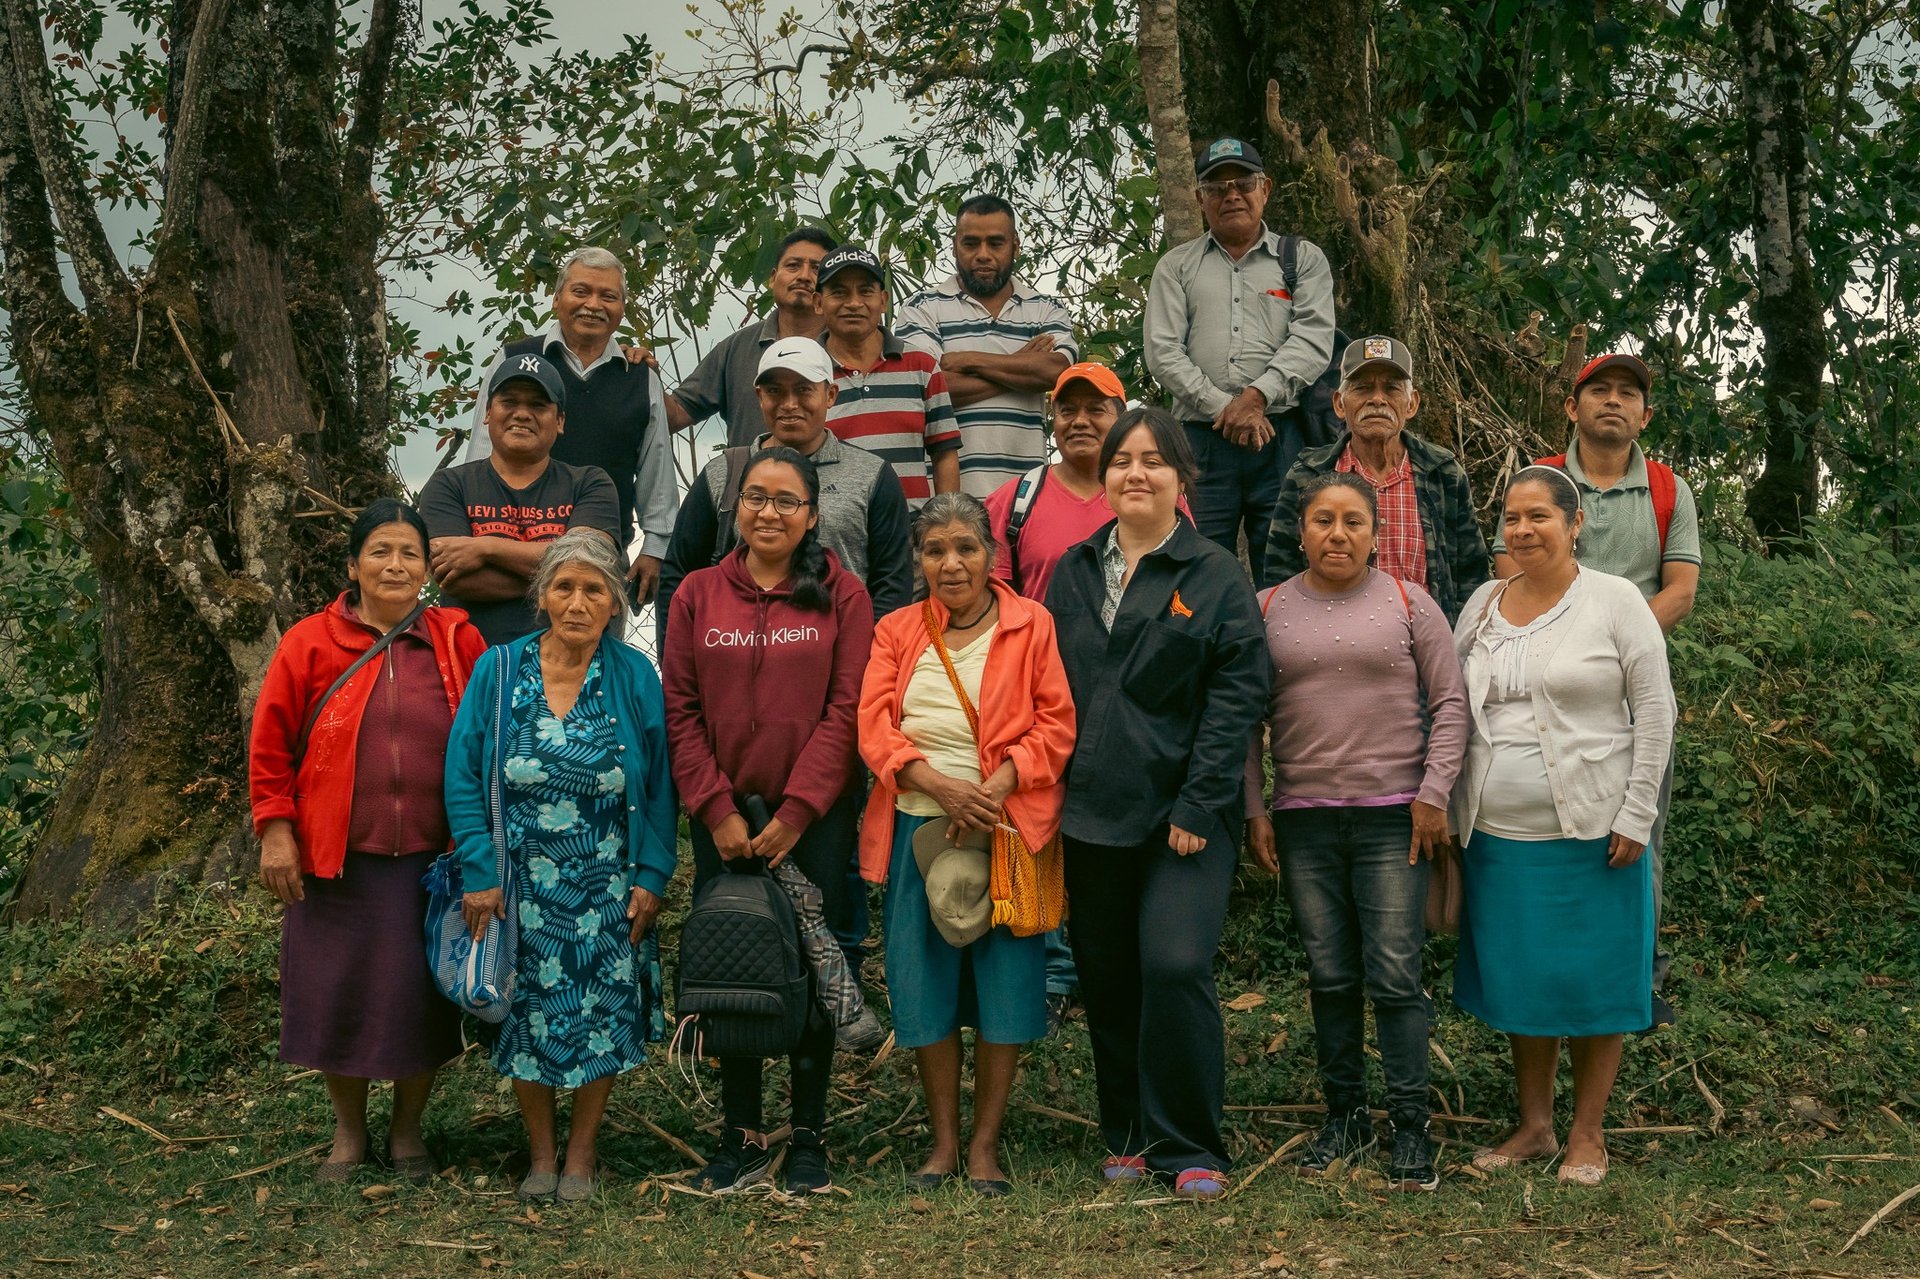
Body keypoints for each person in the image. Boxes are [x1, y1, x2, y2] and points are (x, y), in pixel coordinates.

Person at [1043, 407, 1271, 1200]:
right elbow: (1049, 688)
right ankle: (1130, 1131)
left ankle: (1189, 1142)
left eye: (1153, 460)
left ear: (1183, 477)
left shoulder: (1213, 574)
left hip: (1183, 819)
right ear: (1102, 478)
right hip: (1089, 812)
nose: (1135, 473)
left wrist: (1198, 805)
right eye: (1121, 460)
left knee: (1173, 964)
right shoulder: (1071, 570)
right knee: (1108, 976)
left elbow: (1238, 696)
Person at [1242, 473, 1469, 1193]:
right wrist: (1255, 808)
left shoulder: (1409, 602)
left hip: (1394, 819)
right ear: (1301, 531)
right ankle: (1344, 1118)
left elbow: (1452, 704)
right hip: (1304, 820)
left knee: (1396, 975)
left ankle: (1410, 1127)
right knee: (1331, 974)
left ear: (1375, 534)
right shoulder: (1267, 608)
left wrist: (1433, 797)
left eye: (1352, 522)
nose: (1336, 533)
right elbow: (1245, 720)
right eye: (1322, 520)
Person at [249, 500, 485, 1184]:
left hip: (433, 862)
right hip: (337, 862)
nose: (395, 564)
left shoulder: (455, 637)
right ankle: (349, 1132)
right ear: (352, 565)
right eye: (380, 550)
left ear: (426, 567)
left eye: (409, 552)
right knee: (339, 997)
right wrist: (276, 829)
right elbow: (270, 745)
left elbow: (484, 741)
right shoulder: (309, 642)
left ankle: (408, 1131)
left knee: (421, 1001)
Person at [1451, 466, 1674, 1187]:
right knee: (1525, 979)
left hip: (1594, 830)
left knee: (1596, 979)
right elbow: (1455, 708)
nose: (1522, 529)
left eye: (1539, 515)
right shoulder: (1483, 603)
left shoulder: (1615, 601)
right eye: (1512, 517)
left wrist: (1638, 810)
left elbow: (1656, 710)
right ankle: (1536, 1125)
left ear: (1575, 523)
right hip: (1496, 833)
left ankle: (1588, 1133)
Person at [662, 447, 874, 1195]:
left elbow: (848, 710)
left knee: (814, 964)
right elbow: (680, 710)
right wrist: (714, 807)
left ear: (812, 514)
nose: (770, 512)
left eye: (788, 500)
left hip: (811, 819)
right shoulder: (695, 595)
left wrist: (798, 809)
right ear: (737, 507)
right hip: (724, 823)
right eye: (756, 497)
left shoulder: (842, 595)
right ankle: (742, 1135)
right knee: (735, 967)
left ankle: (809, 1135)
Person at [446, 530, 677, 1203]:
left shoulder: (632, 674)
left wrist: (652, 877)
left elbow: (661, 787)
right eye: (564, 586)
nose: (577, 602)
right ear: (542, 595)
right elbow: (463, 775)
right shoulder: (498, 669)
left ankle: (582, 1154)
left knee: (603, 1015)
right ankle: (540, 1154)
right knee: (527, 1017)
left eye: (594, 589)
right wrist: (480, 872)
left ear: (613, 604)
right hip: (519, 888)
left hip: (608, 884)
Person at [858, 492, 1077, 1196]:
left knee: (1007, 991)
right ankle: (943, 1144)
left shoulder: (1030, 623)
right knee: (923, 991)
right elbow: (874, 728)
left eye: (965, 547)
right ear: (918, 559)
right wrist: (942, 787)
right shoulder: (897, 629)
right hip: (918, 830)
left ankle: (985, 1145)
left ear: (992, 553)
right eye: (934, 549)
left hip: (1008, 829)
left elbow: (1056, 724)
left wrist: (997, 784)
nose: (951, 563)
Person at [1493, 352, 1700, 1022]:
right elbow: (1507, 569)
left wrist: (1613, 643)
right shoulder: (1541, 483)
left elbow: (1682, 590)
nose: (1613, 402)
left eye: (1627, 394)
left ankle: (1638, 974)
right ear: (1571, 407)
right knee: (1547, 829)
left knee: (1641, 826)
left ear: (1646, 413)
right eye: (1599, 390)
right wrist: (1570, 642)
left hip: (1634, 686)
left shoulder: (1669, 489)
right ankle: (1550, 967)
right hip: (1546, 683)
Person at [1143, 136, 1336, 584]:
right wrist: (1227, 409)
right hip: (1200, 444)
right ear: (1200, 199)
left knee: (1286, 566)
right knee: (1198, 569)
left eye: (1243, 183)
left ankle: (1283, 656)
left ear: (1264, 189)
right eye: (1216, 187)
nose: (1231, 194)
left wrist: (1256, 397)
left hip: (1282, 437)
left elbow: (1312, 340)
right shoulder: (1176, 267)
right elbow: (1163, 352)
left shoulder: (1300, 260)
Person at [656, 337, 914, 646]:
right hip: (732, 654)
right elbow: (679, 573)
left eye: (804, 389)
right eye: (775, 391)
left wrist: (865, 661)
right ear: (759, 397)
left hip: (843, 664)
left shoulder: (872, 476)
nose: (789, 404)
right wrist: (678, 663)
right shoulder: (724, 474)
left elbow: (893, 582)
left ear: (830, 394)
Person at [463, 247, 677, 602]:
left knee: (592, 658)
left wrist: (654, 547)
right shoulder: (514, 360)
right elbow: (481, 455)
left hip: (599, 565)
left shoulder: (640, 377)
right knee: (495, 659)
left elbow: (656, 470)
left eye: (608, 296)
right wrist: (479, 543)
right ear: (556, 298)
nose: (593, 304)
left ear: (622, 309)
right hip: (504, 552)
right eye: (581, 291)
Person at [1263, 336, 1489, 622]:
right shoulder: (1309, 474)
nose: (1377, 399)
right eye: (1362, 388)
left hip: (1425, 646)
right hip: (1329, 641)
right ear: (1339, 404)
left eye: (1392, 388)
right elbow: (1279, 574)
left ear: (1411, 404)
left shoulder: (1441, 472)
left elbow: (1471, 575)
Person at [421, 352, 621, 646]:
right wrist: (560, 578)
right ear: (488, 412)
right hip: (472, 664)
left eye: (538, 405)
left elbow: (588, 564)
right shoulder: (448, 485)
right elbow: (456, 580)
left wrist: (486, 548)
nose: (522, 413)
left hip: (571, 663)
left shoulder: (590, 483)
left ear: (560, 420)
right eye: (509, 402)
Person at [896, 195, 1077, 499]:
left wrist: (967, 359)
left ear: (1015, 245)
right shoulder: (922, 308)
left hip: (1028, 498)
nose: (983, 255)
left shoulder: (1046, 309)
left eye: (995, 243)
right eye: (971, 244)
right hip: (946, 500)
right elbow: (930, 390)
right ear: (954, 246)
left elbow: (1055, 371)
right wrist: (1021, 366)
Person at [663, 227, 840, 447]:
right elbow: (674, 415)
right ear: (773, 278)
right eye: (793, 265)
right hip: (750, 480)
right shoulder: (737, 349)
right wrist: (642, 374)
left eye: (816, 268)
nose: (803, 276)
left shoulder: (850, 345)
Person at [816, 245, 962, 508]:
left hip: (912, 535)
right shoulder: (807, 373)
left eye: (865, 291)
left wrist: (945, 524)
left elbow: (945, 455)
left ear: (883, 300)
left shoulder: (922, 366)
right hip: (834, 537)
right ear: (818, 303)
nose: (853, 303)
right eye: (839, 292)